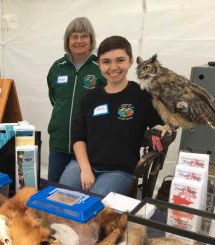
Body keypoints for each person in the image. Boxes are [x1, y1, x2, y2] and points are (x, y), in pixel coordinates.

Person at [59, 36, 163, 196]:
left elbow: (160, 126)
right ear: (99, 64)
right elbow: (78, 136)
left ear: (130, 61)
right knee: (61, 196)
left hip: (119, 171)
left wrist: (160, 131)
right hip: (83, 164)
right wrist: (85, 169)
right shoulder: (90, 96)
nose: (113, 67)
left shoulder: (142, 95)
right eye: (106, 61)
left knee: (95, 204)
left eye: (120, 60)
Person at [47, 17, 105, 182]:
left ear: (91, 39)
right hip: (59, 142)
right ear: (68, 40)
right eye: (74, 36)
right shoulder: (57, 67)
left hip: (88, 146)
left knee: (78, 193)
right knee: (52, 188)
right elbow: (54, 98)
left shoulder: (99, 68)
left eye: (84, 36)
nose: (79, 41)